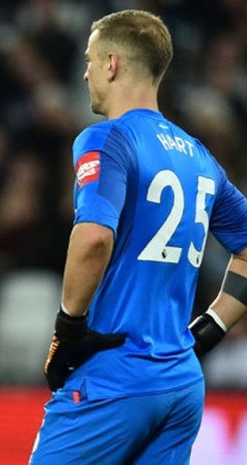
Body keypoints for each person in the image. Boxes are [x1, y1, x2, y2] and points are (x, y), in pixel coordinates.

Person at [29, 10, 247, 465]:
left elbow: (93, 240)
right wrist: (212, 327)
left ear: (112, 64)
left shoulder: (107, 140)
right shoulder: (200, 157)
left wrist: (67, 329)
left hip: (113, 379)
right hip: (181, 382)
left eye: (89, 60)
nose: (85, 72)